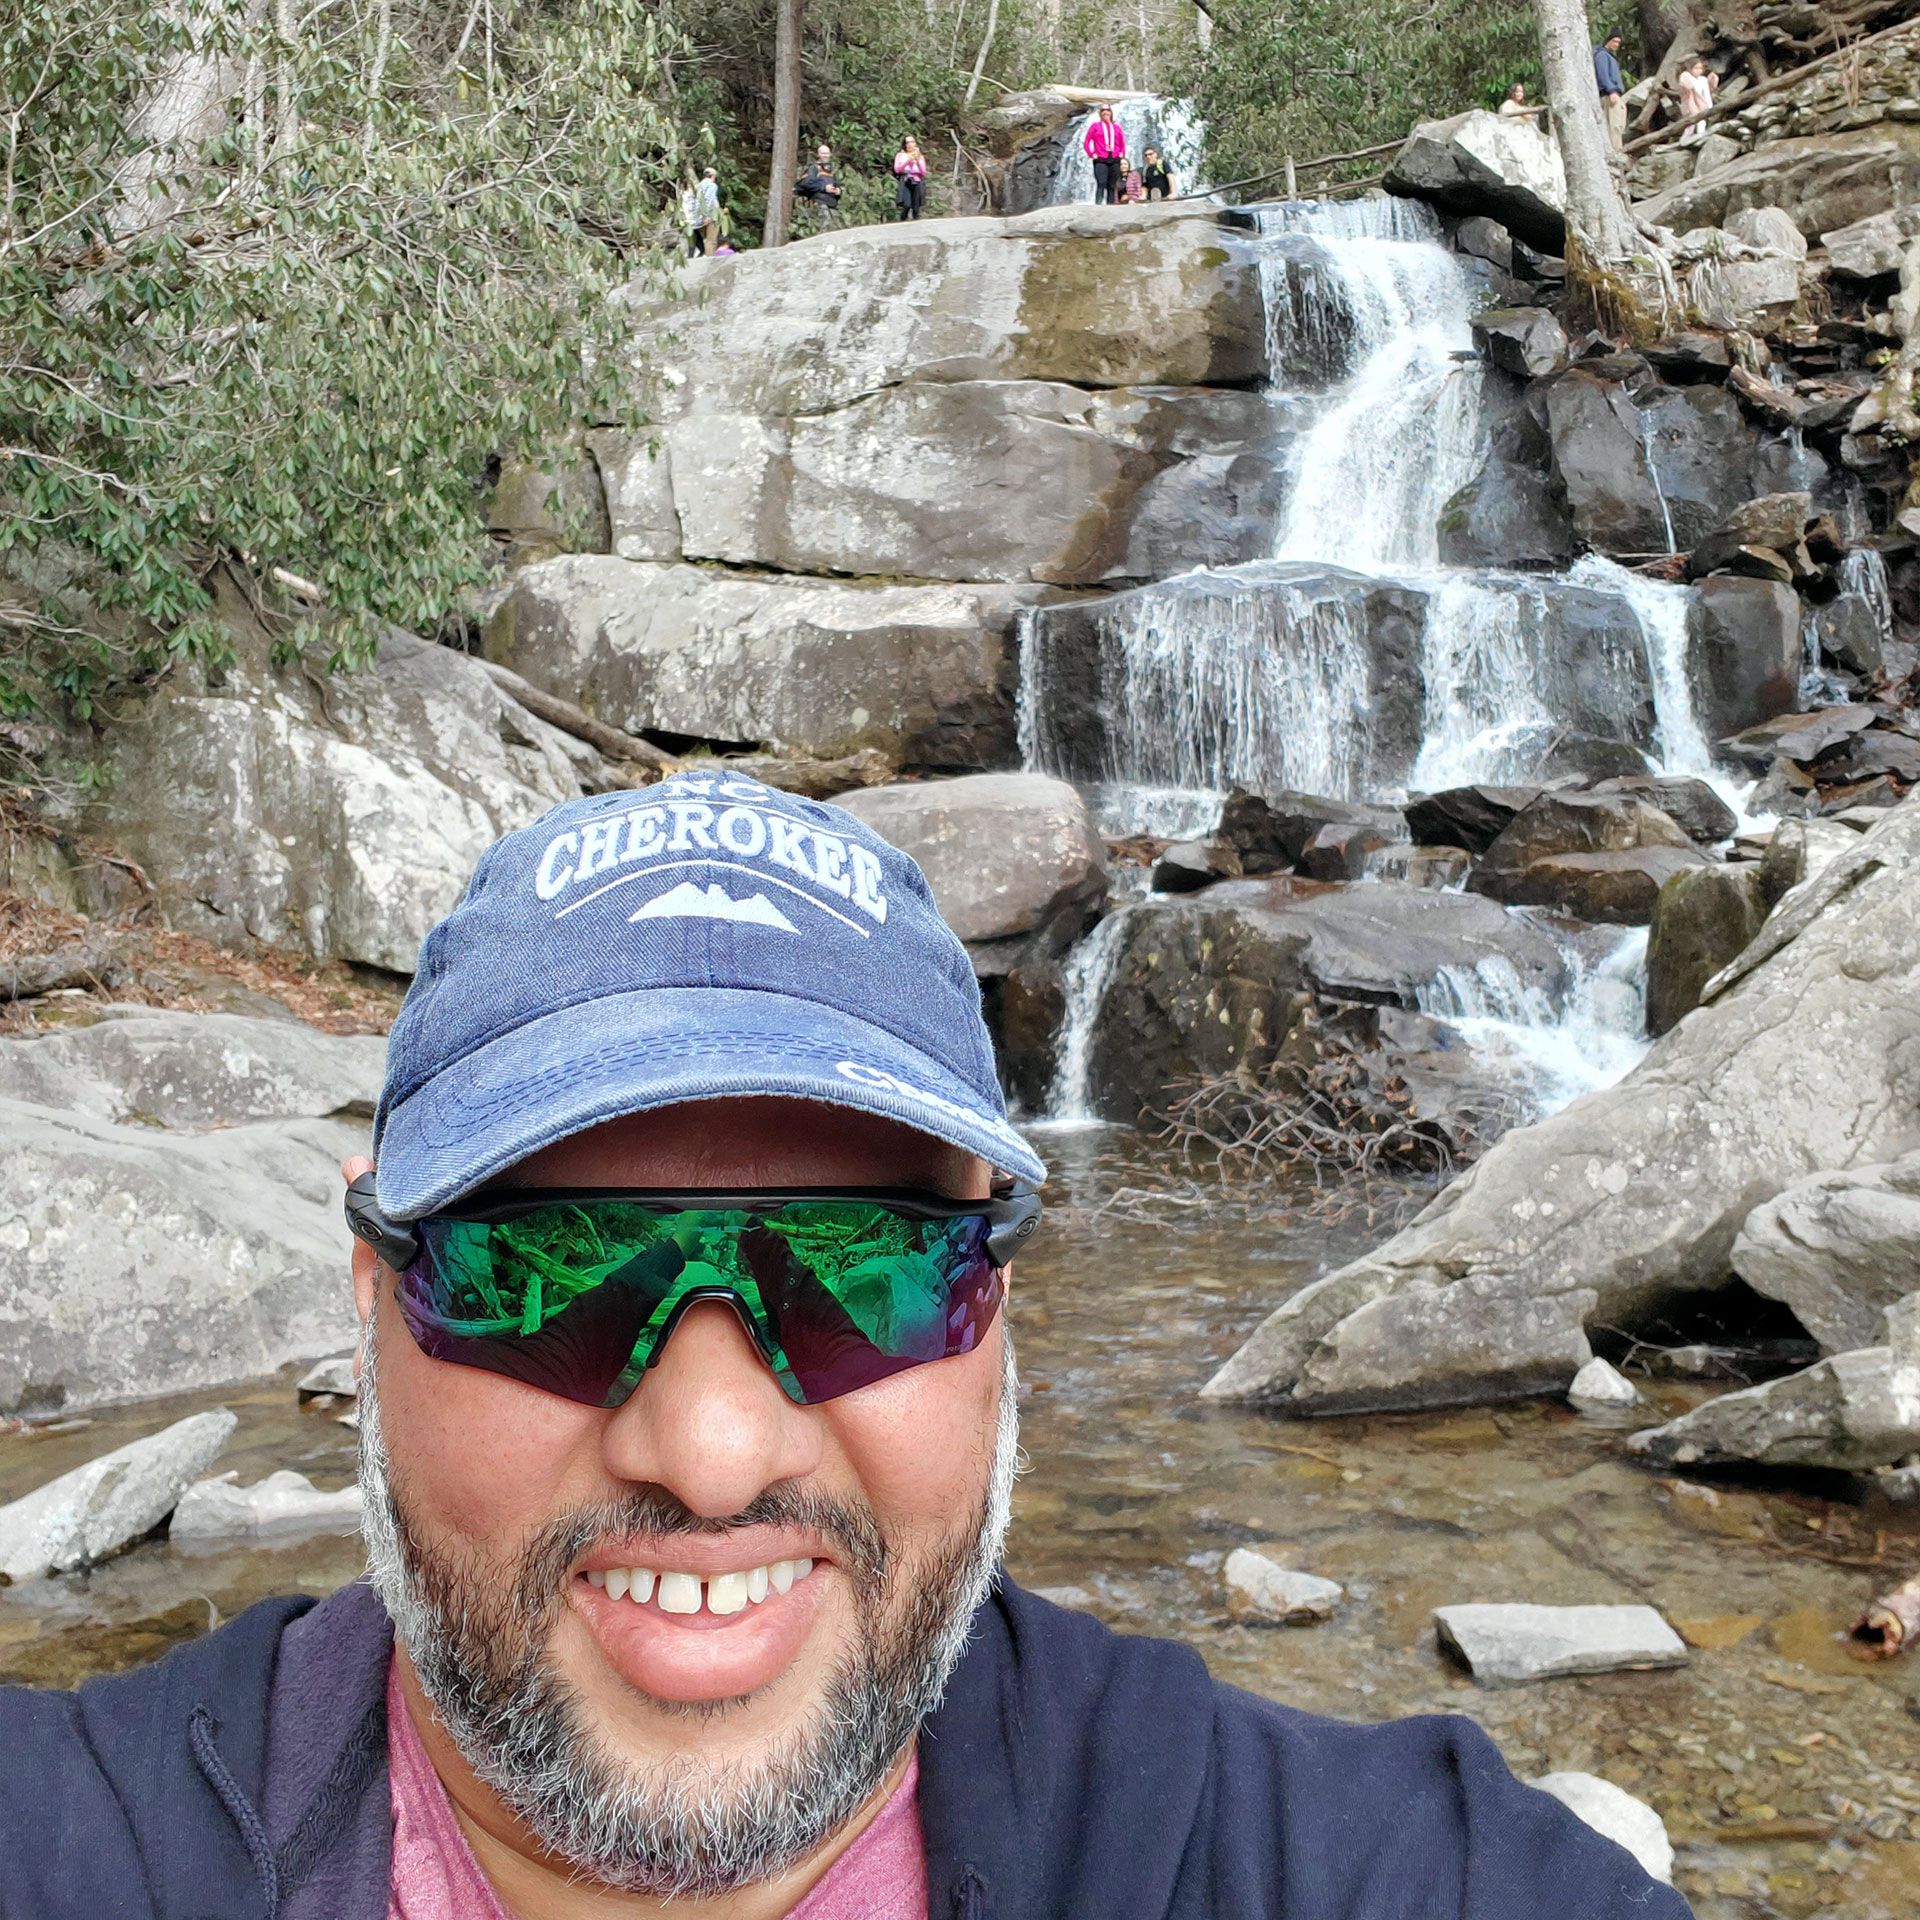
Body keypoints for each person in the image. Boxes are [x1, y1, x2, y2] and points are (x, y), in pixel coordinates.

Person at [0, 770, 1696, 1918]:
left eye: (865, 1273)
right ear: (374, 1296)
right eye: (553, 1272)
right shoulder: (74, 1844)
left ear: (998, 1311)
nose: (715, 1450)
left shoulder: (1346, 1869)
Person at [1084, 102, 1126, 204]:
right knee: (1101, 183)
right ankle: (1098, 205)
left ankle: (1110, 206)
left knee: (1112, 185)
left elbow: (1122, 143)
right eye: (1103, 110)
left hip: (1114, 158)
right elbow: (1086, 141)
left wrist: (1122, 153)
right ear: (1100, 113)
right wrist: (1091, 153)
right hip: (1100, 158)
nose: (1105, 112)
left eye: (1107, 110)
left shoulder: (1116, 127)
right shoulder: (1095, 126)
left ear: (1111, 112)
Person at [796, 143, 843, 229]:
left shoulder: (831, 171)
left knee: (834, 230)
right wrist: (824, 188)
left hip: (831, 205)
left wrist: (838, 191)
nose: (825, 156)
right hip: (819, 205)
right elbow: (806, 184)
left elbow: (836, 185)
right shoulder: (813, 169)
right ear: (818, 154)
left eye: (827, 153)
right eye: (823, 153)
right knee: (825, 229)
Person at [1594, 32, 1628, 148]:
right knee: (1614, 125)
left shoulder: (1609, 56)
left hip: (1615, 94)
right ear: (1608, 40)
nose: (1616, 44)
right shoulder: (1602, 55)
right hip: (1610, 94)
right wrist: (1611, 90)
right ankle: (1615, 150)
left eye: (1618, 42)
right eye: (1614, 41)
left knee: (1617, 125)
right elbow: (1603, 75)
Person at [1676, 56, 1718, 143]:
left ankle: (1700, 138)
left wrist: (1710, 105)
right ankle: (1684, 141)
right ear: (1690, 69)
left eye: (1700, 68)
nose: (1698, 70)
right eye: (1696, 68)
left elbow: (1706, 93)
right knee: (1690, 124)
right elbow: (1685, 87)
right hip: (1690, 105)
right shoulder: (1687, 78)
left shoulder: (1703, 80)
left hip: (1701, 104)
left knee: (1702, 122)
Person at [892, 134, 927, 219]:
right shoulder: (900, 155)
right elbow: (897, 169)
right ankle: (903, 218)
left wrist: (917, 160)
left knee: (916, 206)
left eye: (912, 142)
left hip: (916, 179)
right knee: (906, 204)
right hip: (905, 179)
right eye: (907, 142)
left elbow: (923, 171)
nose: (910, 144)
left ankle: (916, 223)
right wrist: (908, 160)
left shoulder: (920, 156)